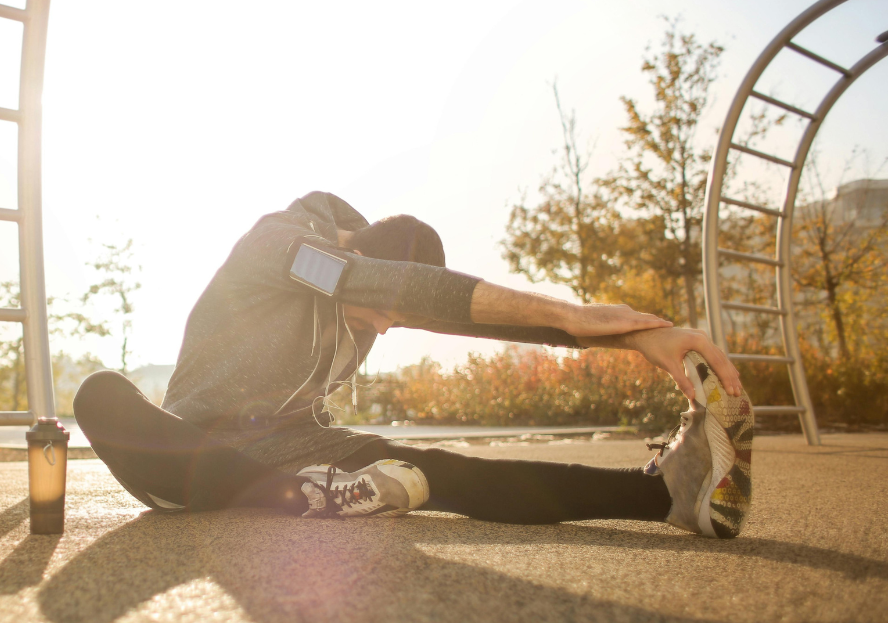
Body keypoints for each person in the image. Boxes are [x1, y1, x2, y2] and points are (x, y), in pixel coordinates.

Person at [73, 192, 753, 538]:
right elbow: (378, 287)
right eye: (387, 309)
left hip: (300, 450)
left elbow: (461, 310)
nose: (389, 326)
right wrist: (573, 314)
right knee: (100, 394)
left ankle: (664, 495)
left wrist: (633, 338)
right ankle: (301, 495)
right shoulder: (283, 246)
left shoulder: (375, 283)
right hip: (188, 455)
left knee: (442, 469)